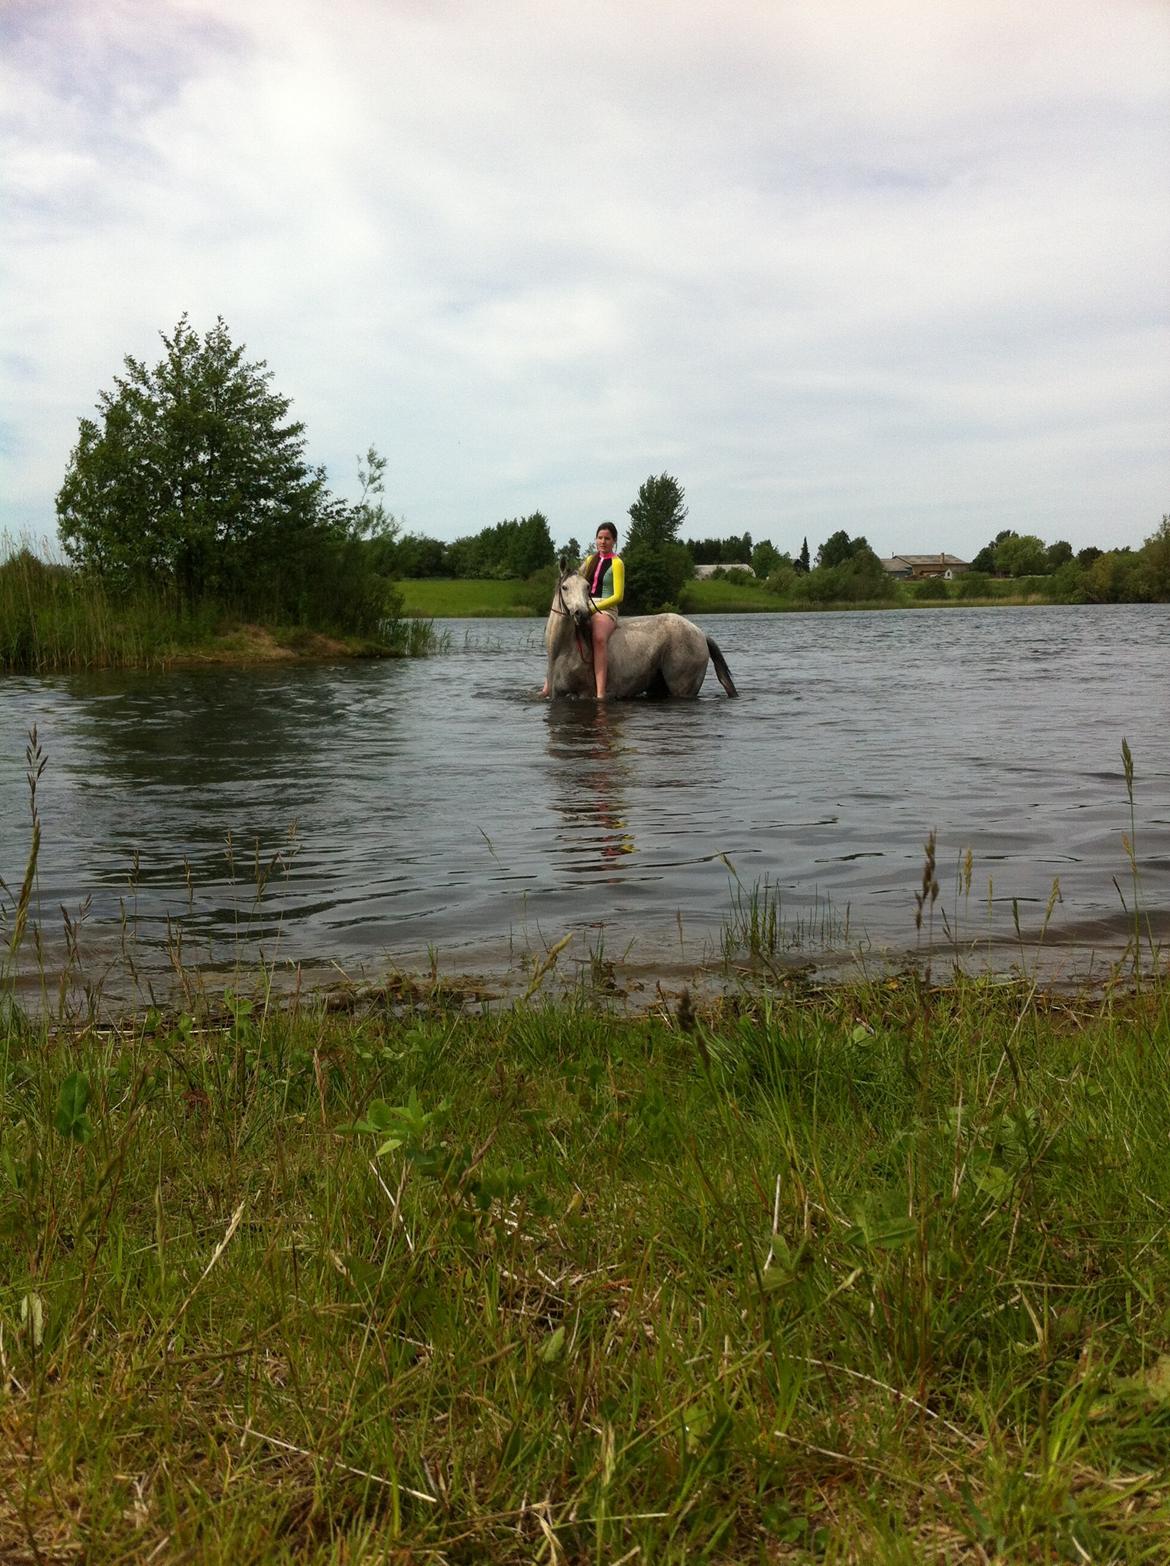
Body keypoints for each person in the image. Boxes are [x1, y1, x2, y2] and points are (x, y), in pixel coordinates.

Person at [540, 522, 626, 698]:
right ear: (596, 539)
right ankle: (548, 686)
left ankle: (600, 692)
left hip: (606, 608)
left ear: (614, 541)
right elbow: (577, 582)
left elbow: (618, 596)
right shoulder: (589, 560)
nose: (603, 542)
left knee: (599, 638)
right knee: (558, 635)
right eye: (600, 538)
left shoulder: (617, 563)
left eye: (607, 539)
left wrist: (595, 608)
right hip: (584, 604)